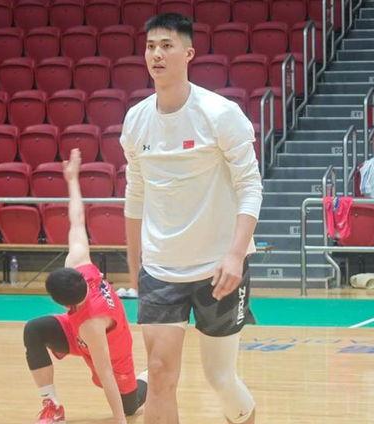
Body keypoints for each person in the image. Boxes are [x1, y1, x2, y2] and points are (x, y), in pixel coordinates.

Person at [120, 13, 262, 424]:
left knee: (220, 378)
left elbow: (250, 186)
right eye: (150, 46)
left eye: (166, 45)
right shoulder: (136, 120)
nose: (157, 54)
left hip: (219, 268)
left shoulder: (220, 113)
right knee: (159, 373)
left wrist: (235, 255)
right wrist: (134, 264)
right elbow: (135, 193)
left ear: (188, 53)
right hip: (161, 269)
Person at [23, 149, 147, 424]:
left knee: (130, 405)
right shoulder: (81, 264)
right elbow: (77, 219)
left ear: (65, 303)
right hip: (78, 334)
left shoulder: (92, 322)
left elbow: (105, 372)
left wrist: (120, 421)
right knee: (34, 330)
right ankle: (52, 404)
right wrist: (72, 180)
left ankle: (148, 378)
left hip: (113, 353)